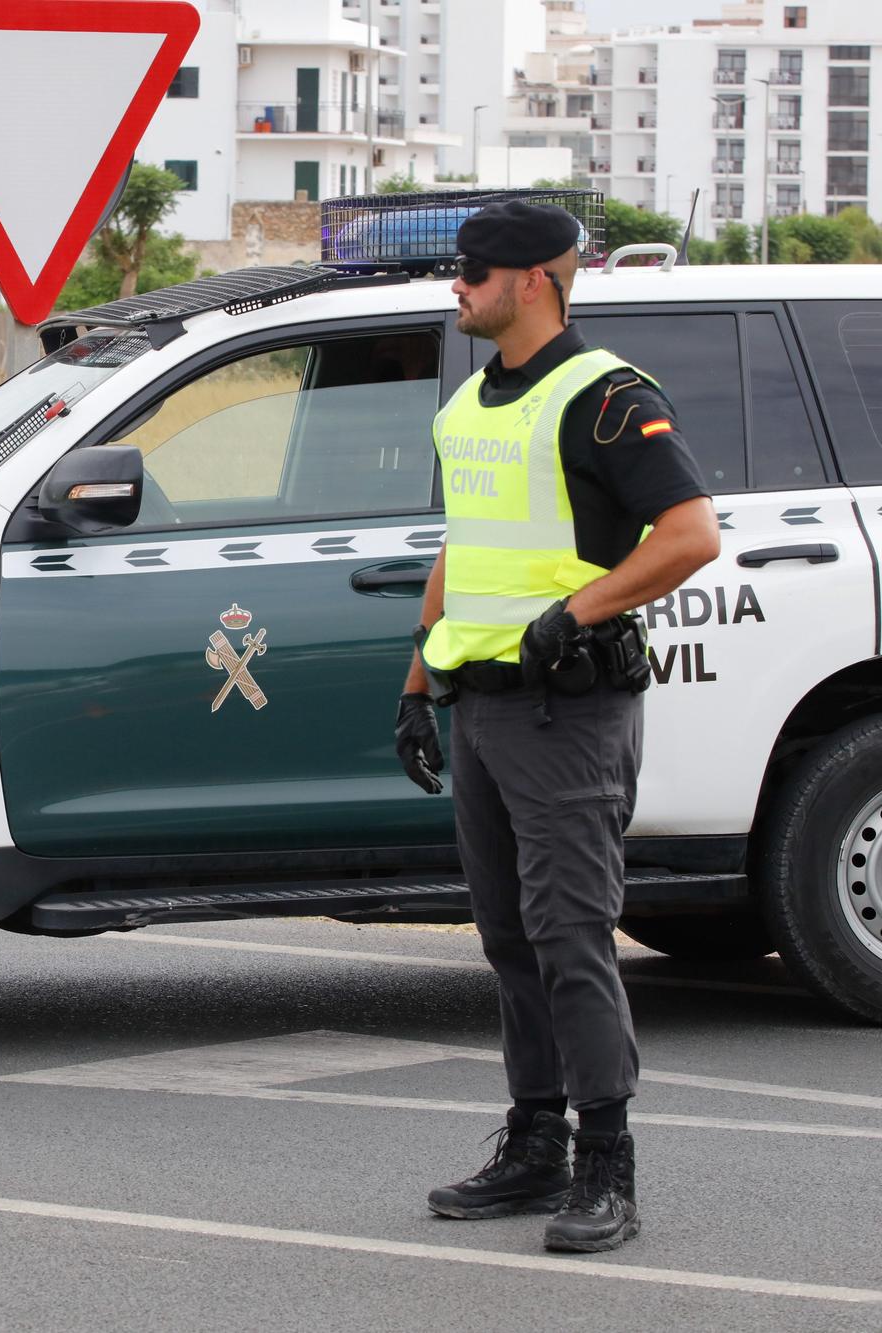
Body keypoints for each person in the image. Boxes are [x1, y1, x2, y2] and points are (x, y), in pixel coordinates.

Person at [394, 202, 720, 1252]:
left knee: (570, 935)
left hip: (567, 708)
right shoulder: (471, 405)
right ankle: (532, 1144)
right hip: (480, 705)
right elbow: (466, 542)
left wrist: (570, 614)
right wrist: (414, 675)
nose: (457, 285)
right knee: (506, 938)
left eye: (473, 271)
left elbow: (688, 535)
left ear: (532, 278)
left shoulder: (605, 396)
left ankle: (604, 1166)